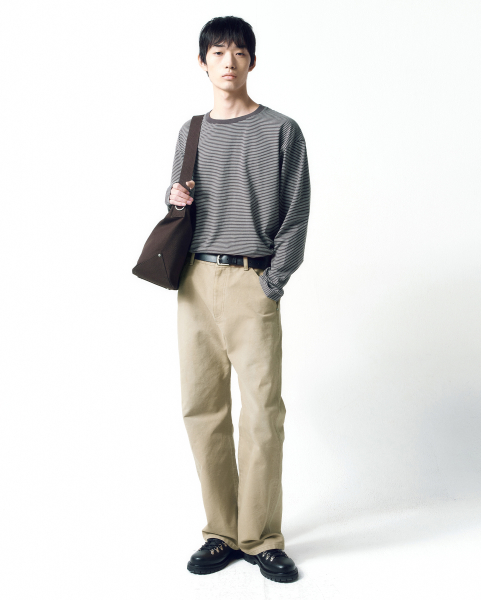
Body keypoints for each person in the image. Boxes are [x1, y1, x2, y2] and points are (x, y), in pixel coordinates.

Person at [164, 16, 311, 584]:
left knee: (263, 413)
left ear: (253, 61)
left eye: (239, 52)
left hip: (253, 279)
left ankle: (262, 537)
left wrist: (272, 282)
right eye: (218, 52)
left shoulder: (282, 131)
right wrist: (175, 197)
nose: (229, 61)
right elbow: (182, 207)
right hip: (195, 282)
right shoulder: (191, 132)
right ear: (202, 63)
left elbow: (296, 214)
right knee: (202, 409)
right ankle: (221, 532)